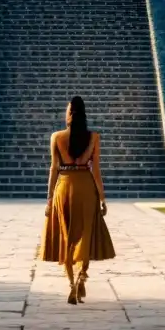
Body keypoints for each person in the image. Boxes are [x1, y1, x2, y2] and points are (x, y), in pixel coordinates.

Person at [40, 95, 115, 304]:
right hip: (85, 186)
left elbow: (53, 169)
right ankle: (82, 275)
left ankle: (72, 284)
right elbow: (96, 171)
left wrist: (48, 199)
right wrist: (102, 198)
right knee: (86, 234)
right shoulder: (94, 138)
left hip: (63, 186)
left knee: (67, 236)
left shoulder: (56, 137)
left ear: (70, 114)